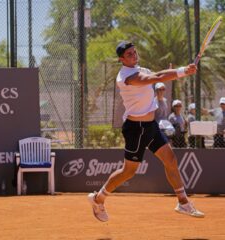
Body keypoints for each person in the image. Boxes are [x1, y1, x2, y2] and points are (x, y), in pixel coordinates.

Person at [87, 41, 204, 222]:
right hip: (136, 129)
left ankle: (183, 202)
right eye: (129, 54)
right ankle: (98, 199)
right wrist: (182, 71)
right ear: (121, 59)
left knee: (170, 159)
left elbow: (157, 75)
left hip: (151, 126)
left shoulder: (141, 69)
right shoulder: (126, 77)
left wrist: (181, 71)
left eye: (134, 52)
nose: (134, 55)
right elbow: (154, 78)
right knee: (128, 172)